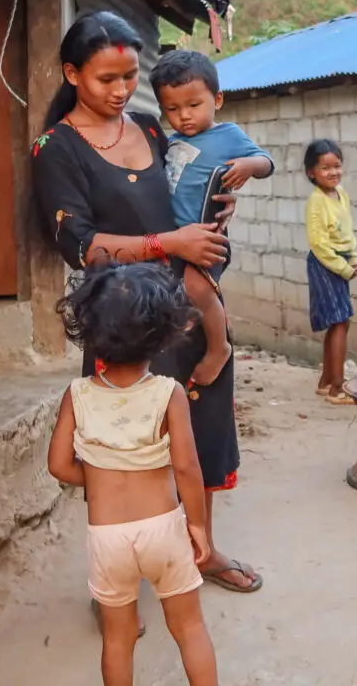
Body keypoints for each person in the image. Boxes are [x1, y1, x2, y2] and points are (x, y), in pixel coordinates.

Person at [31, 11, 262, 612]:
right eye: (107, 77)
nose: (119, 90)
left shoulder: (154, 131)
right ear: (72, 73)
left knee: (202, 428)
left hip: (187, 303)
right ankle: (121, 577)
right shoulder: (56, 148)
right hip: (122, 319)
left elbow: (191, 190)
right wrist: (171, 243)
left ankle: (202, 550)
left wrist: (218, 207)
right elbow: (78, 245)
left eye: (129, 77)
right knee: (126, 444)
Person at [48, 263, 218, 686]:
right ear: (162, 335)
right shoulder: (169, 393)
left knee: (118, 639)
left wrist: (102, 477)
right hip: (163, 529)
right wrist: (197, 524)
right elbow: (186, 467)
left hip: (108, 539)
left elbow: (57, 464)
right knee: (190, 627)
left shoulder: (78, 394)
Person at [149, 50, 274, 386]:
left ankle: (220, 347)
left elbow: (265, 162)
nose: (184, 116)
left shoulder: (228, 135)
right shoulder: (171, 141)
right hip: (177, 238)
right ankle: (213, 324)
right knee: (182, 292)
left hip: (207, 235)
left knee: (195, 287)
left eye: (194, 105)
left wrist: (249, 166)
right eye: (172, 109)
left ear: (217, 99)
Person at [303, 138, 357, 404]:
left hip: (342, 261)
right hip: (326, 264)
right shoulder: (316, 201)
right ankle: (338, 387)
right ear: (311, 173)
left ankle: (326, 380)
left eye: (337, 166)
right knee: (339, 321)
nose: (333, 172)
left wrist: (354, 258)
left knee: (341, 321)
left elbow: (347, 231)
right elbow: (319, 244)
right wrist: (344, 268)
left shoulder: (341, 194)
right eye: (325, 168)